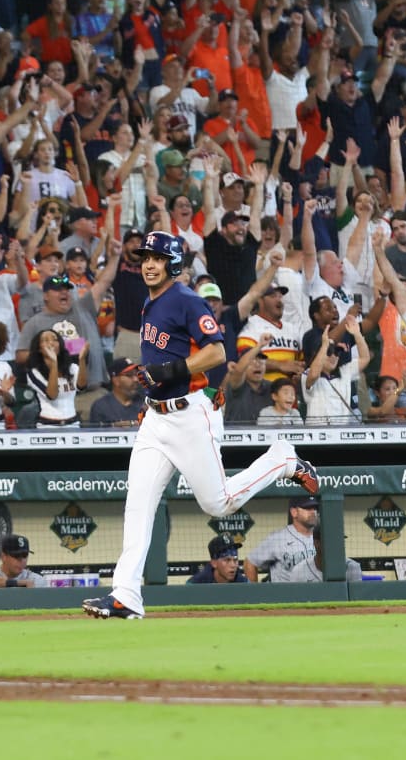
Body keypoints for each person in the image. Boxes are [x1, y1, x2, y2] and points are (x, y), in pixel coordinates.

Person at [83, 232, 318, 620]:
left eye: (157, 258)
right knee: (137, 505)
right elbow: (161, 362)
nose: (148, 263)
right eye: (145, 257)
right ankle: (126, 595)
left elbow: (217, 351)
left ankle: (283, 460)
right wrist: (152, 396)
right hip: (157, 417)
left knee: (217, 503)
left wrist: (169, 371)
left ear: (173, 263)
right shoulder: (150, 301)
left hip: (191, 415)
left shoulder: (187, 301)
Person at [244, 496, 320, 584]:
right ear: (294, 512)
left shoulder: (322, 538)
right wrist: (255, 594)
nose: (313, 512)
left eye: (314, 508)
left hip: (316, 594)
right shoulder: (278, 538)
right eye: (307, 508)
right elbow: (249, 562)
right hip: (287, 594)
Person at [25, 328, 89, 427]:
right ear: (39, 348)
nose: (51, 343)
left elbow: (81, 386)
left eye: (55, 340)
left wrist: (82, 360)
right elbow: (52, 395)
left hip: (73, 423)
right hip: (47, 426)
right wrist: (54, 363)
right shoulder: (34, 372)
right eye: (46, 340)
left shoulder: (72, 367)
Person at [286, 527, 363, 583]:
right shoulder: (298, 571)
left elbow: (356, 599)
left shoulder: (352, 567)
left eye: (340, 541)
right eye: (333, 541)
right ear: (317, 543)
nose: (339, 545)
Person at [88, 358, 145, 427]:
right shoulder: (101, 407)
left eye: (136, 374)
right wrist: (113, 428)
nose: (136, 379)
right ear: (115, 380)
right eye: (129, 375)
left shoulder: (145, 403)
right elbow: (93, 435)